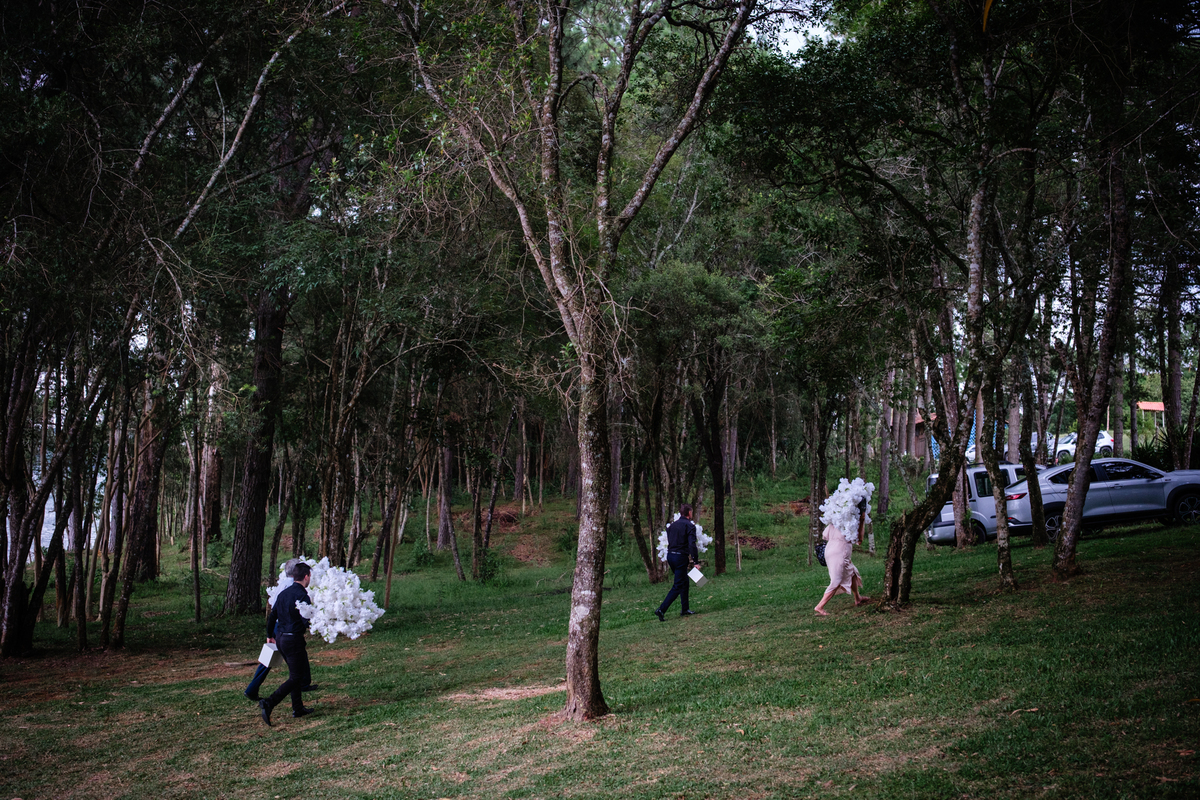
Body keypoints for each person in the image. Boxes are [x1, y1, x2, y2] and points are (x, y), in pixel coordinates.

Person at [259, 561, 316, 725]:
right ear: (306, 577)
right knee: (296, 677)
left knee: (295, 674)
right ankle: (269, 702)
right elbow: (306, 620)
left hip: (281, 638)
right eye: (310, 576)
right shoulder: (303, 596)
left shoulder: (284, 594)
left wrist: (269, 635)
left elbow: (273, 616)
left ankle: (297, 708)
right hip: (293, 640)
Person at [814, 499, 870, 616]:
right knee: (836, 580)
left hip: (831, 548)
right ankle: (819, 606)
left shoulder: (836, 518)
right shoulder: (852, 523)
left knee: (852, 572)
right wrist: (862, 520)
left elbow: (825, 535)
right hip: (839, 552)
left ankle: (857, 598)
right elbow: (859, 540)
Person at [654, 504, 700, 621]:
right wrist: (695, 561)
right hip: (680, 558)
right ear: (689, 513)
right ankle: (661, 609)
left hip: (670, 556)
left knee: (684, 581)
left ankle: (685, 609)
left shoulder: (671, 526)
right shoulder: (690, 526)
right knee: (678, 585)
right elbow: (691, 544)